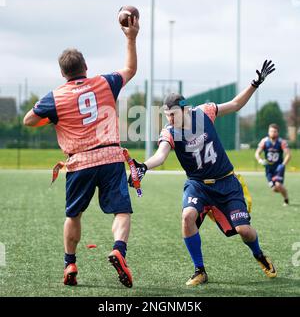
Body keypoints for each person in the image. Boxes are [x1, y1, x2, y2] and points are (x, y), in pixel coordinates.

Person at [129, 60, 277, 286]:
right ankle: (200, 270)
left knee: (244, 230)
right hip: (198, 184)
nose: (169, 119)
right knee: (187, 216)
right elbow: (161, 155)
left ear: (185, 110)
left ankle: (259, 254)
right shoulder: (169, 132)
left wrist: (255, 84)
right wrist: (144, 167)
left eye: (173, 114)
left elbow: (236, 104)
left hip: (226, 183)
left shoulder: (204, 113)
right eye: (166, 115)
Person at [23, 15, 139, 288]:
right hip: (110, 157)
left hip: (79, 162)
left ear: (63, 73)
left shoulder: (56, 96)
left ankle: (70, 263)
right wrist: (131, 37)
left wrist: (52, 118)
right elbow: (130, 69)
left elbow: (28, 119)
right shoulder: (105, 82)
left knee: (73, 215)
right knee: (121, 211)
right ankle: (118, 250)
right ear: (86, 67)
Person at [255, 124, 291, 206]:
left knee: (278, 185)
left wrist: (283, 165)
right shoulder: (264, 141)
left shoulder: (281, 142)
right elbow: (257, 153)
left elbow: (288, 154)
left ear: (277, 132)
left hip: (278, 168)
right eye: (271, 131)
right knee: (274, 189)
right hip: (268, 169)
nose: (272, 133)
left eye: (274, 131)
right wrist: (260, 160)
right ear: (268, 132)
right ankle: (283, 190)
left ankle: (286, 199)